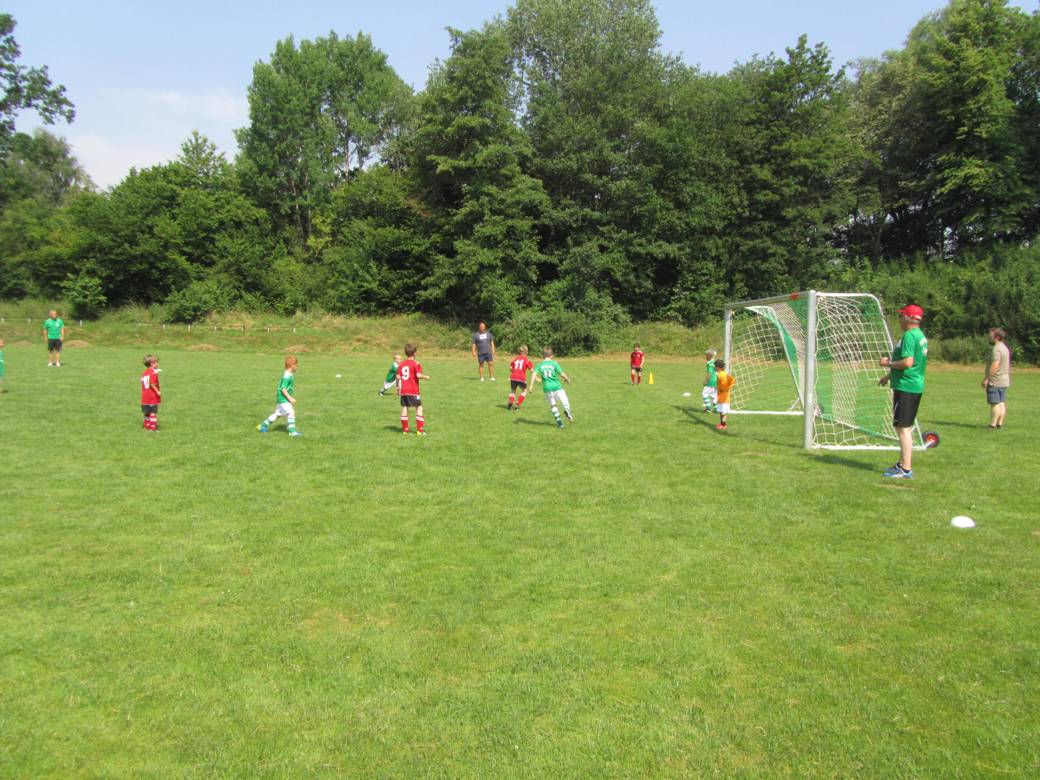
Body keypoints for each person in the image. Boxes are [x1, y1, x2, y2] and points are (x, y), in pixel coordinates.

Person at [879, 304, 928, 479]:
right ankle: (901, 464)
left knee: (903, 428)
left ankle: (906, 469)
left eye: (902, 316)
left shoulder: (909, 336)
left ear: (908, 318)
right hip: (911, 385)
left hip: (907, 386)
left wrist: (888, 363)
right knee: (903, 427)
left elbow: (907, 363)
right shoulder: (919, 336)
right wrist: (888, 376)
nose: (899, 319)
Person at [258, 356, 302, 436]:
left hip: (280, 397)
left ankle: (262, 426)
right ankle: (292, 432)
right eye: (296, 365)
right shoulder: (287, 376)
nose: (297, 367)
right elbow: (283, 389)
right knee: (291, 412)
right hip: (283, 398)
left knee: (277, 414)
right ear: (292, 365)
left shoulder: (288, 374)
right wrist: (290, 398)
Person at [531, 348, 572, 428]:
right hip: (557, 386)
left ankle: (560, 424)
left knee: (553, 405)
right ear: (552, 355)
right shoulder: (554, 363)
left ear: (543, 355)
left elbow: (534, 374)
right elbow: (561, 373)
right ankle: (567, 410)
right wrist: (567, 379)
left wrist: (531, 386)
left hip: (547, 388)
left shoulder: (540, 364)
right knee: (565, 400)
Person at [397, 343, 431, 434]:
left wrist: (398, 387)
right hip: (413, 390)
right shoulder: (416, 363)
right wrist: (426, 377)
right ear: (415, 353)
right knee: (419, 408)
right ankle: (420, 431)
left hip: (404, 390)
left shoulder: (402, 364)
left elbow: (398, 377)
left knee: (405, 408)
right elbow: (418, 375)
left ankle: (405, 431)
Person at [983, 327, 1010, 429]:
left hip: (995, 380)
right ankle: (1000, 424)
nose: (989, 337)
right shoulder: (1004, 347)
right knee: (1001, 402)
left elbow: (995, 365)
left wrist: (987, 379)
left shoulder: (996, 349)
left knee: (994, 403)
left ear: (997, 337)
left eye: (991, 335)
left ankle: (992, 425)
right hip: (1004, 380)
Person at [507, 346, 533, 410]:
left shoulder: (515, 358)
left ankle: (510, 403)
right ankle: (517, 404)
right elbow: (532, 370)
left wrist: (514, 372)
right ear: (526, 352)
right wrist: (537, 378)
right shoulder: (527, 360)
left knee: (513, 391)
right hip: (521, 378)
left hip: (513, 377)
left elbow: (510, 367)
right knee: (524, 391)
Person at [140, 354, 162, 431]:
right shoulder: (153, 372)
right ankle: (153, 428)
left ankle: (147, 425)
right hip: (152, 396)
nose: (157, 364)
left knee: (147, 411)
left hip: (144, 396)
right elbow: (152, 383)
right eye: (156, 362)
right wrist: (157, 391)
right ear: (152, 363)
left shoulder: (145, 372)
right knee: (153, 412)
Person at [714, 359, 735, 430]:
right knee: (721, 411)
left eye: (715, 366)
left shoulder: (721, 375)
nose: (714, 368)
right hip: (721, 396)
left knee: (723, 412)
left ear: (717, 367)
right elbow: (731, 380)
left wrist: (724, 388)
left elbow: (730, 380)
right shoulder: (722, 374)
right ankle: (721, 423)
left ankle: (724, 425)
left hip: (724, 397)